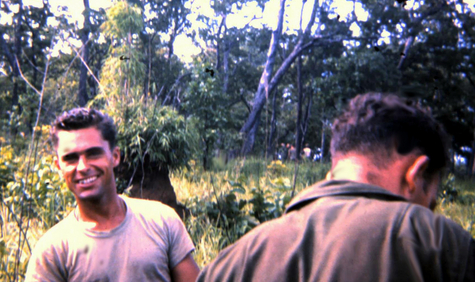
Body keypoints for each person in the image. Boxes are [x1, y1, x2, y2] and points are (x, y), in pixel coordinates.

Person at [198, 93, 475, 282]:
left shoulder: (235, 258)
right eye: (431, 201)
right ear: (415, 174)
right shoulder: (441, 244)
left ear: (333, 172)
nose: (429, 211)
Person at [25, 108, 200, 282]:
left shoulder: (162, 220)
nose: (83, 167)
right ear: (58, 166)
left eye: (93, 154)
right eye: (71, 158)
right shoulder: (52, 250)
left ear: (115, 156)